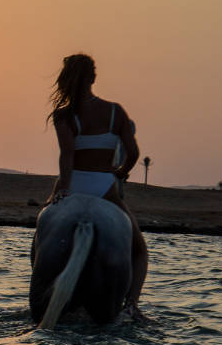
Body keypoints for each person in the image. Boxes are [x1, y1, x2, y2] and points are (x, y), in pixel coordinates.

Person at [47, 53, 148, 319]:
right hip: (105, 187)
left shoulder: (63, 116)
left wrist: (62, 191)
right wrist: (120, 173)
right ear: (94, 77)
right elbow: (133, 153)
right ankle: (132, 305)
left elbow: (67, 156)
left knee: (41, 234)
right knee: (139, 249)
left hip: (73, 185)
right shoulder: (115, 112)